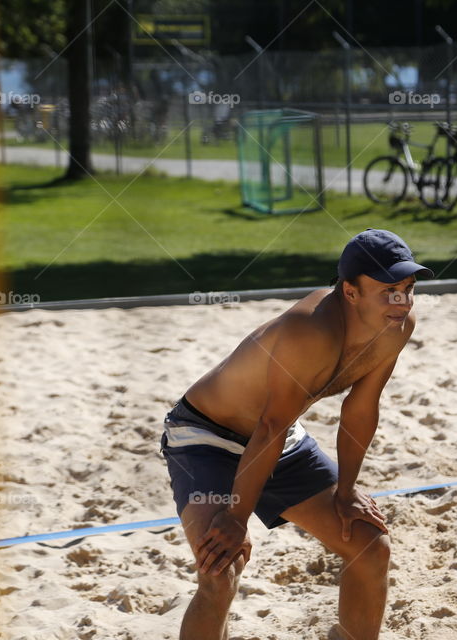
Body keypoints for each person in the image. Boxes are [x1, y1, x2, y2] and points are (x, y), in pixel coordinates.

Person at [160, 229, 433, 640]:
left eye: (408, 288)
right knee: (221, 569)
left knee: (369, 544)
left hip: (279, 436)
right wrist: (235, 516)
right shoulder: (309, 330)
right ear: (351, 291)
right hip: (206, 437)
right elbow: (269, 425)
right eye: (389, 289)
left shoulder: (396, 325)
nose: (403, 301)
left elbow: (360, 410)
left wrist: (346, 489)